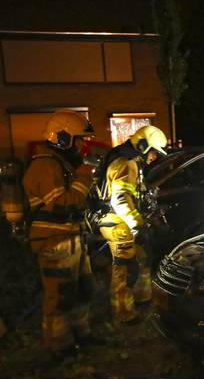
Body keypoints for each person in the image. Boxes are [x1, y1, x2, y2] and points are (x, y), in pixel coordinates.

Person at [23, 110, 97, 357]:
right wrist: (84, 180)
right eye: (79, 139)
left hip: (73, 239)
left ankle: (81, 335)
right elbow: (64, 203)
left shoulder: (62, 164)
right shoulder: (44, 166)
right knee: (60, 297)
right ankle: (59, 346)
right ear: (62, 138)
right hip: (55, 243)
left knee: (84, 289)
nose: (83, 144)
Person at [97, 125, 167, 324]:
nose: (154, 158)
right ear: (144, 146)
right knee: (125, 268)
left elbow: (135, 192)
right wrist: (137, 226)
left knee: (144, 258)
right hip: (119, 223)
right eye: (153, 152)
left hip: (125, 220)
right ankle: (123, 312)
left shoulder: (131, 162)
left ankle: (142, 298)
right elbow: (120, 200)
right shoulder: (126, 163)